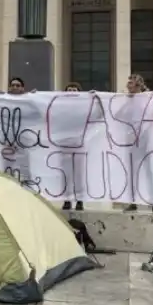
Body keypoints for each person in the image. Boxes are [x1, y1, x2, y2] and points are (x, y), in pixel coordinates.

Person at [122, 73, 153, 214]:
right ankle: (133, 203)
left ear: (138, 85)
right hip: (132, 141)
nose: (128, 86)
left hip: (146, 140)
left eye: (130, 83)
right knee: (132, 172)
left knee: (149, 171)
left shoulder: (148, 99)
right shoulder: (126, 100)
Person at [62, 82, 84, 211]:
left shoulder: (84, 107)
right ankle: (67, 199)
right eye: (69, 90)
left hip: (79, 145)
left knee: (79, 175)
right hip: (65, 144)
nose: (71, 92)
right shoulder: (60, 107)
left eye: (74, 90)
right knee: (66, 174)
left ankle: (80, 200)